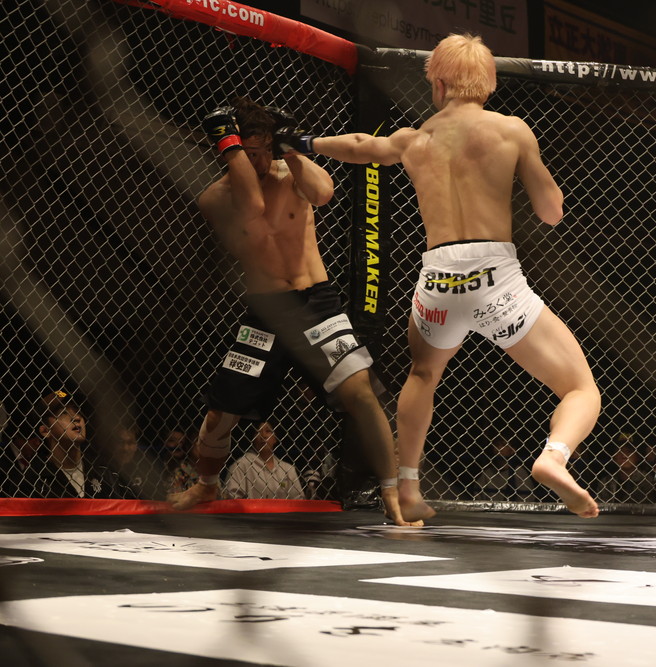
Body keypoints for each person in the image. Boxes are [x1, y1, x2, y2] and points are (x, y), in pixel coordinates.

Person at [280, 33, 601, 522]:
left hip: (437, 281)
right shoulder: (512, 130)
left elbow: (363, 146)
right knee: (580, 388)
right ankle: (554, 457)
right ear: (487, 84)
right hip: (496, 278)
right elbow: (551, 212)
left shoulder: (415, 138)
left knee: (423, 374)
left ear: (439, 83)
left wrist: (301, 143)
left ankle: (408, 488)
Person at [167, 96, 414, 526]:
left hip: (316, 302)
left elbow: (325, 192)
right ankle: (207, 483)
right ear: (230, 151)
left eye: (266, 150)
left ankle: (394, 492)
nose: (262, 161)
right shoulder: (216, 198)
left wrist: (292, 150)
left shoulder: (291, 174)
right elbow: (253, 206)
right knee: (220, 412)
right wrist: (233, 148)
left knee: (361, 392)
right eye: (251, 153)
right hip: (265, 312)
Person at [21, 391, 134, 499]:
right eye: (63, 413)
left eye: (77, 411)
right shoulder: (33, 479)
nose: (76, 417)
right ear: (45, 431)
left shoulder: (104, 471)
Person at [225, 421, 305, 499]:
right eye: (258, 432)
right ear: (253, 439)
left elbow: (298, 499)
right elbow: (231, 497)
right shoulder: (241, 465)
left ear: (275, 438)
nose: (263, 435)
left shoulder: (287, 469)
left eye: (268, 431)